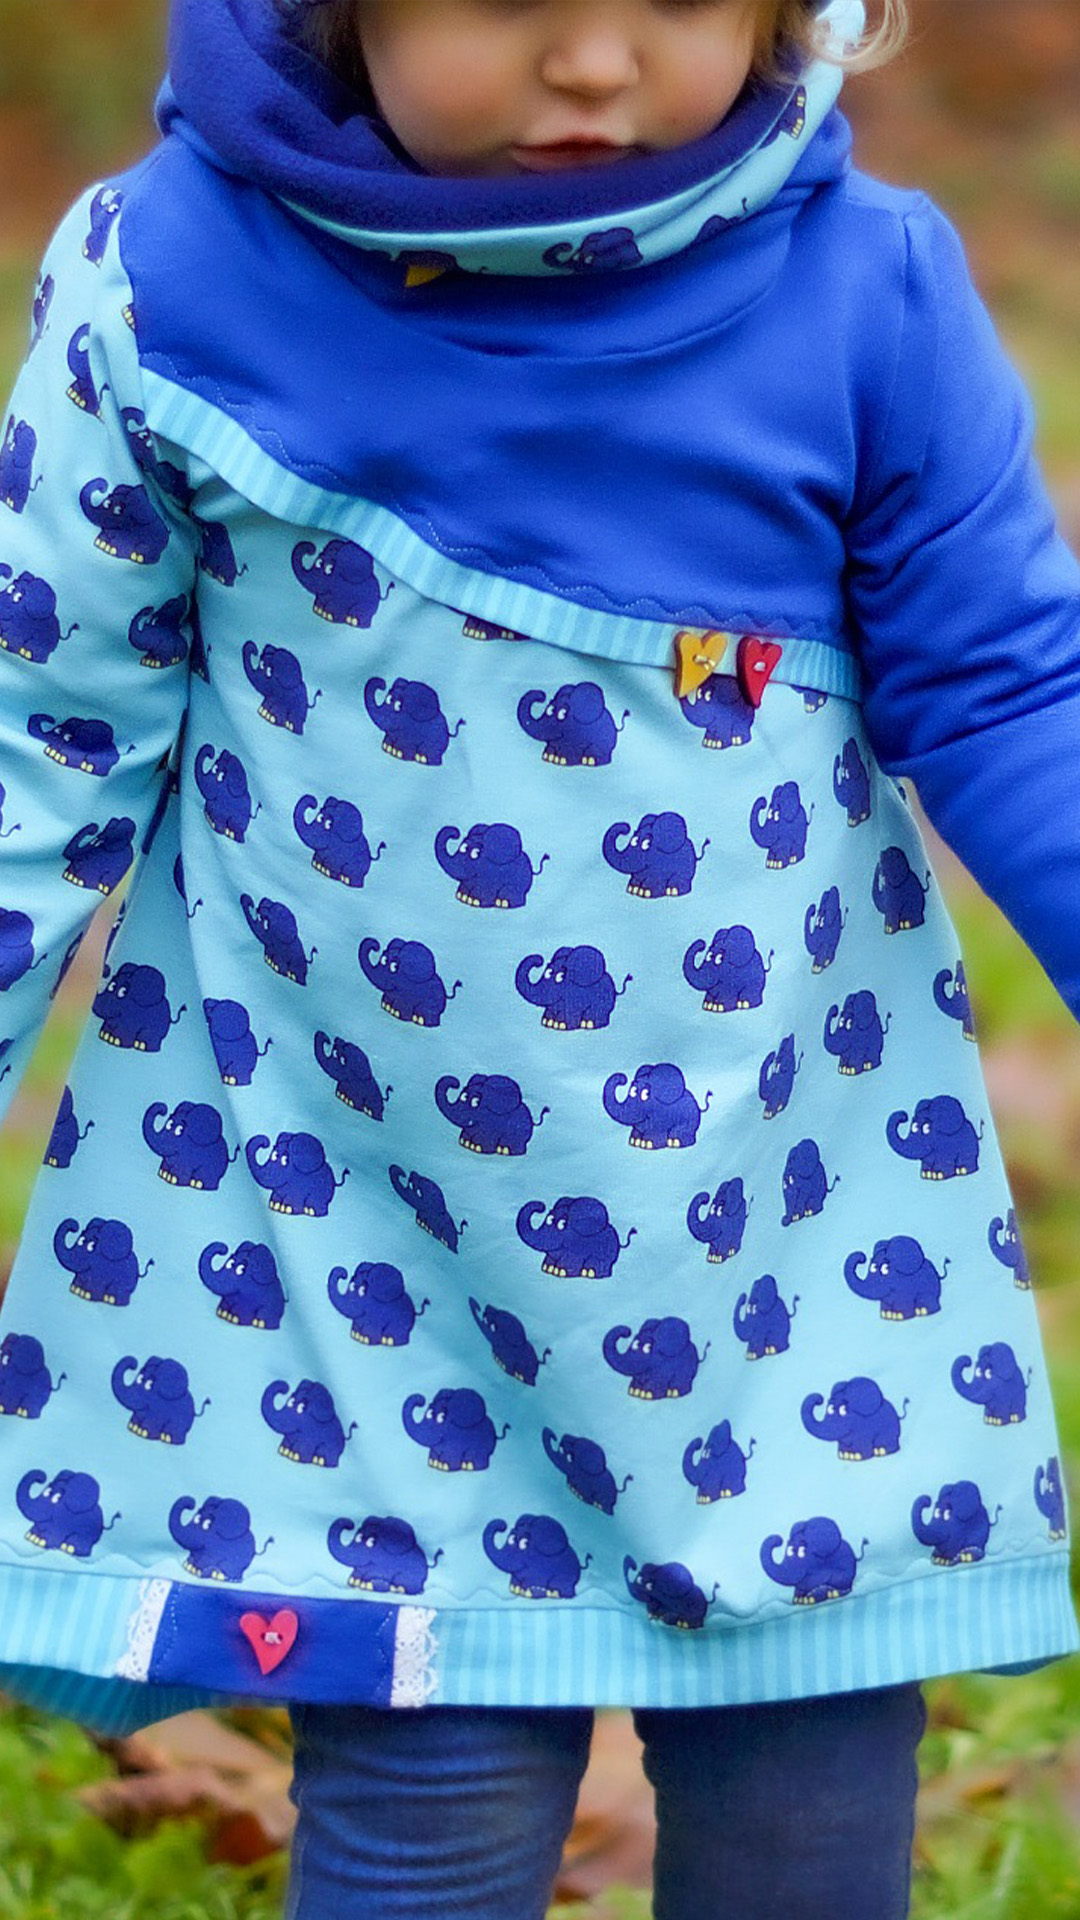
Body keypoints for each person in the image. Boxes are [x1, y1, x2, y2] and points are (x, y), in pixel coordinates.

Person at [0, 0, 1077, 1912]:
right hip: (352, 1231)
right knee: (429, 1796)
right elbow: (41, 730)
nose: (593, 65)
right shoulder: (171, 284)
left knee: (807, 1795)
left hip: (784, 1223)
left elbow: (1009, 685)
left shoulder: (865, 291)